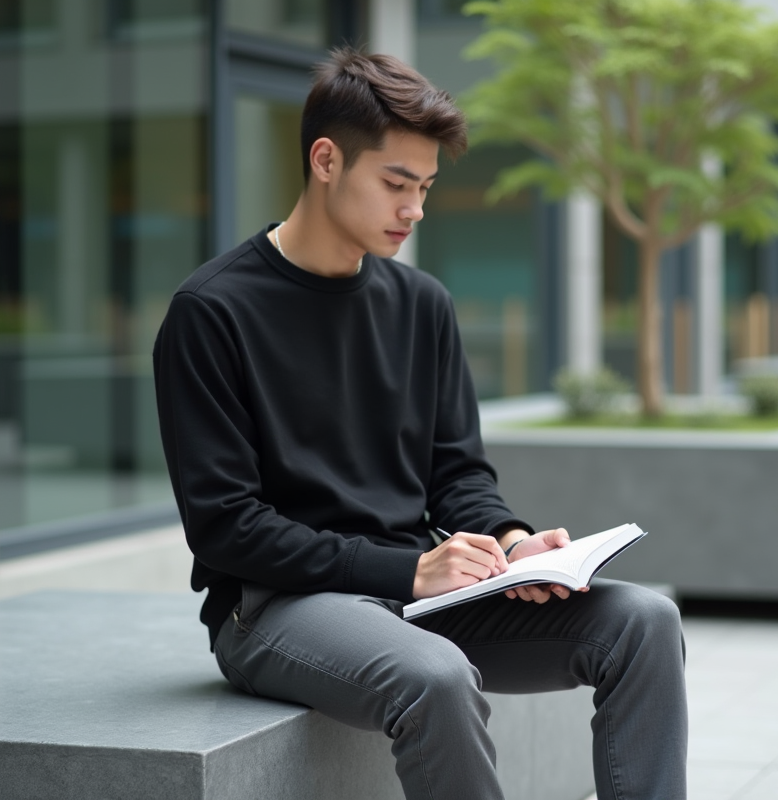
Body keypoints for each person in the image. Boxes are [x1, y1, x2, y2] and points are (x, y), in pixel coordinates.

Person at [153, 46, 687, 800]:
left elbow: (456, 473)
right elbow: (226, 528)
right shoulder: (211, 313)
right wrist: (405, 569)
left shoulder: (421, 304)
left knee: (644, 622)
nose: (415, 209)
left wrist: (509, 543)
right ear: (327, 160)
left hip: (423, 594)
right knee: (435, 676)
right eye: (396, 183)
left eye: (426, 187)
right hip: (275, 608)